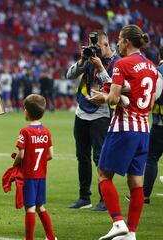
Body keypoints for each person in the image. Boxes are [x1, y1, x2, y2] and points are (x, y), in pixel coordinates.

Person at [89, 24, 158, 240]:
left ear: (127, 41)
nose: (117, 43)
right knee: (136, 182)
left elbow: (113, 99)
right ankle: (131, 233)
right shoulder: (152, 67)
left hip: (123, 128)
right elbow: (150, 100)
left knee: (103, 175)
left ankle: (118, 222)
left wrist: (103, 97)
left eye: (119, 39)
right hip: (143, 130)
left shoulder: (122, 63)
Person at [66, 31, 120, 211]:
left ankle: (104, 199)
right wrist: (82, 61)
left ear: (106, 44)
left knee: (100, 157)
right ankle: (84, 197)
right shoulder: (89, 58)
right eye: (91, 46)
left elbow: (114, 87)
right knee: (82, 156)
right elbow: (70, 75)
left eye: (96, 46)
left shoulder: (116, 62)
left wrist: (100, 67)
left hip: (102, 114)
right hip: (82, 112)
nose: (93, 50)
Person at [13, 94, 57, 240]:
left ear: (26, 111)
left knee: (30, 208)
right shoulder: (46, 131)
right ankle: (51, 237)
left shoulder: (24, 132)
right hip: (41, 176)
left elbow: (21, 155)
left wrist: (15, 166)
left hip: (29, 176)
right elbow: (50, 155)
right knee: (40, 207)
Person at [141, 46, 163, 204]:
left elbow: (154, 95)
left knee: (152, 158)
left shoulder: (159, 71)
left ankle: (145, 195)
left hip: (160, 124)